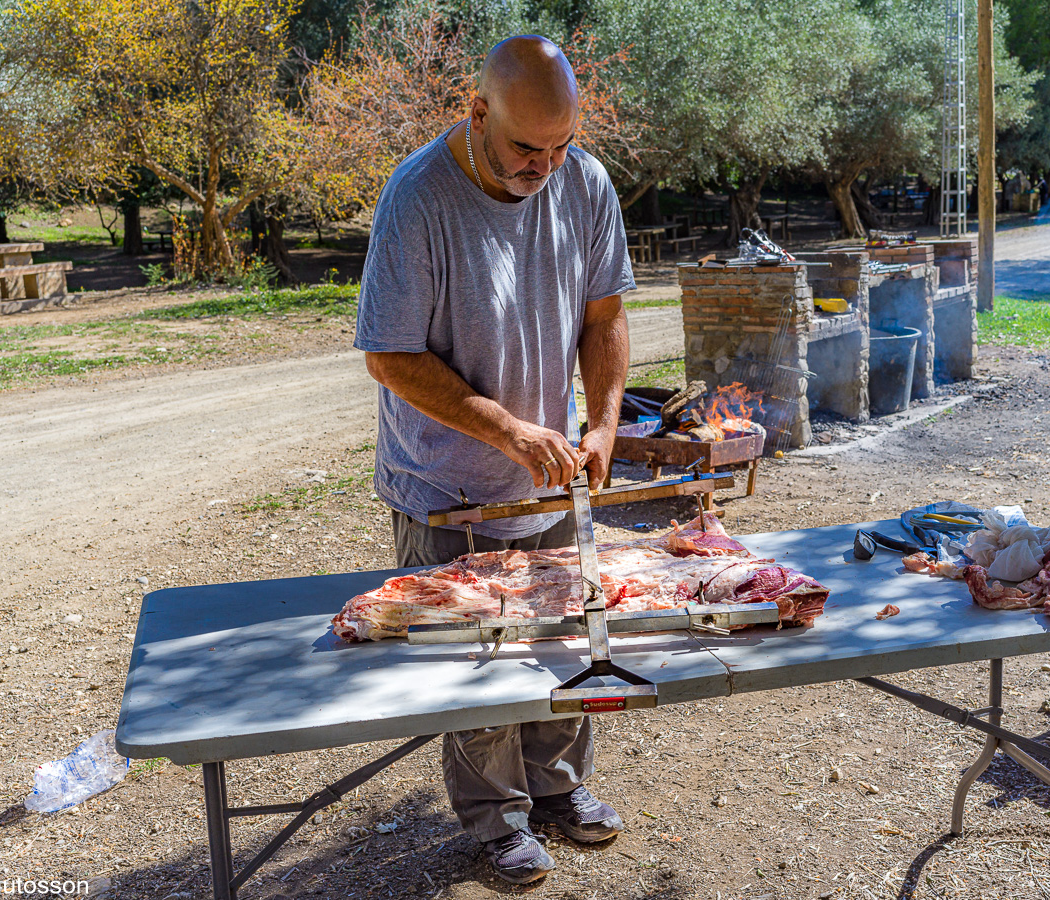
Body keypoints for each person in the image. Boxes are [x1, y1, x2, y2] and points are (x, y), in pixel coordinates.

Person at [354, 35, 634, 885]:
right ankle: (495, 819)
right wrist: (509, 431)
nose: (543, 166)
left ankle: (557, 788)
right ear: (477, 110)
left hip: (547, 477)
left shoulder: (583, 182)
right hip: (446, 483)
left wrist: (605, 424)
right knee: (478, 660)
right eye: (524, 147)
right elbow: (390, 356)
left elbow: (604, 317)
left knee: (562, 638)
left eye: (558, 147)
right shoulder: (418, 198)